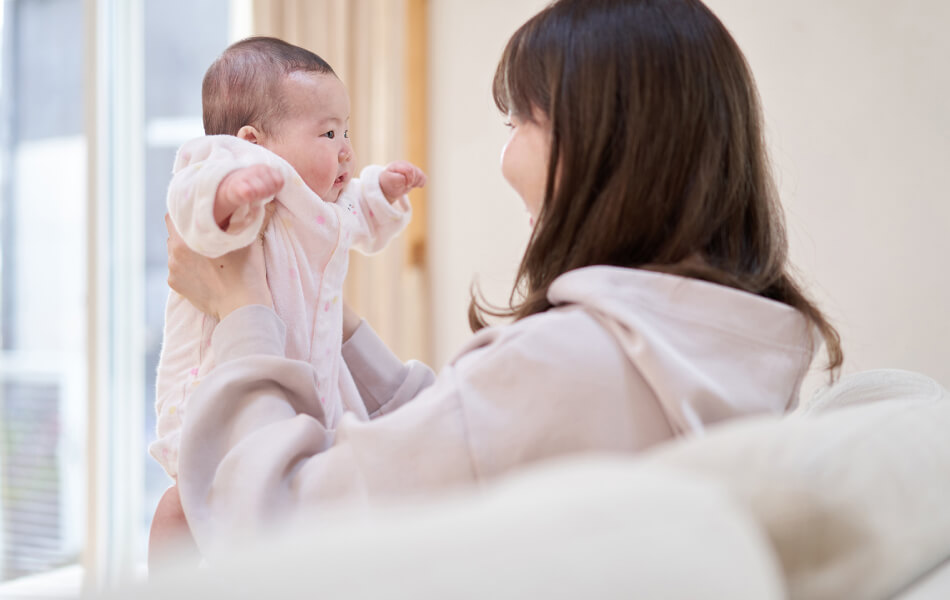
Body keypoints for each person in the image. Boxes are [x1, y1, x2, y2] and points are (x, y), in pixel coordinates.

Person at [165, 0, 843, 560]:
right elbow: (460, 436)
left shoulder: (571, 365)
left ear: (594, 142)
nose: (504, 155)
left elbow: (279, 523)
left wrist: (242, 311)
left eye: (518, 121)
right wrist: (332, 325)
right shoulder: (735, 348)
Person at [149, 37, 425, 565]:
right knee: (182, 507)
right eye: (327, 133)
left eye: (347, 131)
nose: (346, 148)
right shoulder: (226, 167)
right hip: (216, 381)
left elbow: (357, 222)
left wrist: (382, 194)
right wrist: (230, 193)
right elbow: (188, 199)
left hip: (307, 380)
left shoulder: (319, 206)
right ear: (252, 143)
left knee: (295, 492)